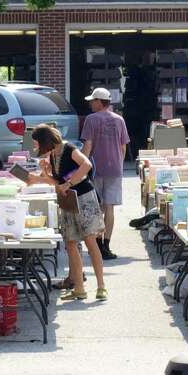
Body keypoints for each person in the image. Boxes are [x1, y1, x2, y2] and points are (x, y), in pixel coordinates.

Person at [26, 125, 106, 301]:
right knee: (70, 243)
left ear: (45, 141)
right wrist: (41, 176)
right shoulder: (53, 154)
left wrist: (68, 184)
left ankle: (101, 287)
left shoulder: (69, 148)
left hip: (83, 197)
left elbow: (86, 165)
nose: (35, 147)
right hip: (68, 200)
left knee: (89, 241)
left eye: (36, 143)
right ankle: (79, 288)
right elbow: (57, 181)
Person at [80, 87, 129, 261]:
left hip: (96, 169)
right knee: (109, 208)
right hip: (114, 169)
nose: (90, 104)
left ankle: (98, 245)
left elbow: (87, 146)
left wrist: (80, 169)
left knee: (97, 208)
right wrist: (118, 164)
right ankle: (106, 245)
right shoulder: (119, 120)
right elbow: (123, 147)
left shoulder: (91, 120)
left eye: (92, 101)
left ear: (99, 102)